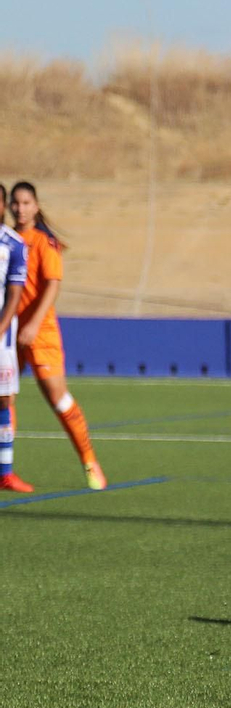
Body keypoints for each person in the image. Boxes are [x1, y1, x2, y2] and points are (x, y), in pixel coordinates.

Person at [10, 182, 104, 490]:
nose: (20, 208)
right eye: (16, 203)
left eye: (26, 203)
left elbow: (52, 285)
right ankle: (4, 469)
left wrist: (33, 324)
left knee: (57, 397)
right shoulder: (7, 240)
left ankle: (90, 461)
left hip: (40, 331)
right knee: (3, 396)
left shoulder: (43, 242)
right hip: (8, 329)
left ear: (36, 206)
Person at [0, 184, 29, 493]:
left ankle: (5, 472)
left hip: (1, 341)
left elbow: (15, 295)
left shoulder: (14, 244)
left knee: (3, 400)